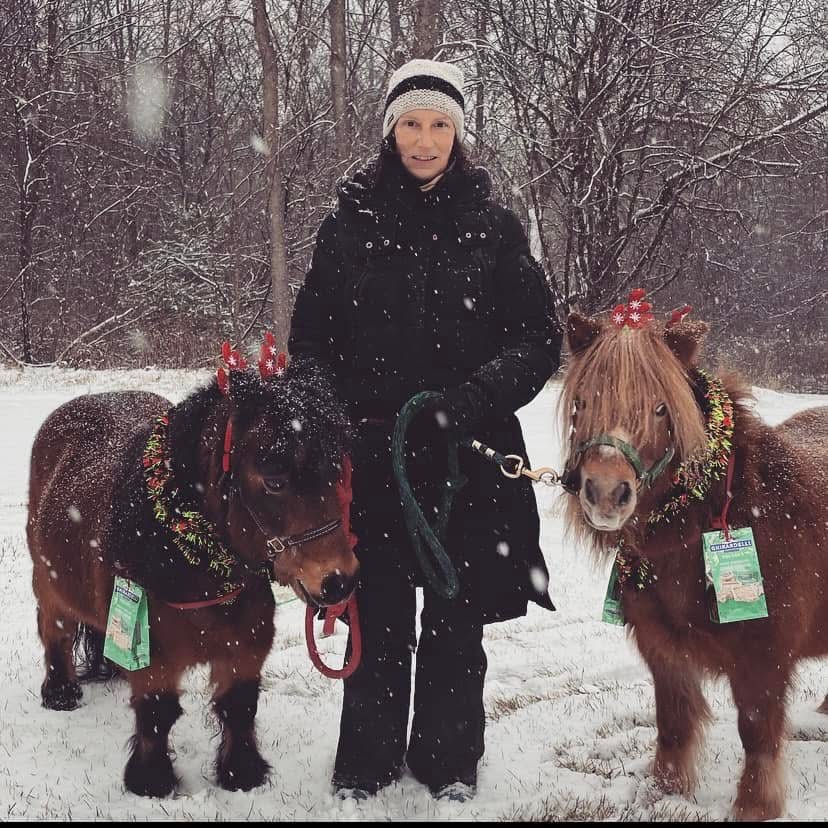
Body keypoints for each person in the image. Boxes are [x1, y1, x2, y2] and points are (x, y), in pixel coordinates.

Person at [288, 58, 562, 802]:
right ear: (390, 130)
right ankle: (368, 760)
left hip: (464, 454)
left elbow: (537, 339)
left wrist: (470, 399)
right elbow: (310, 336)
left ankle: (448, 761)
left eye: (440, 124)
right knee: (376, 609)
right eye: (411, 123)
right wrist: (327, 410)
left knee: (455, 614)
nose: (424, 139)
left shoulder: (494, 227)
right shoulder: (347, 225)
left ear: (458, 133)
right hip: (370, 451)